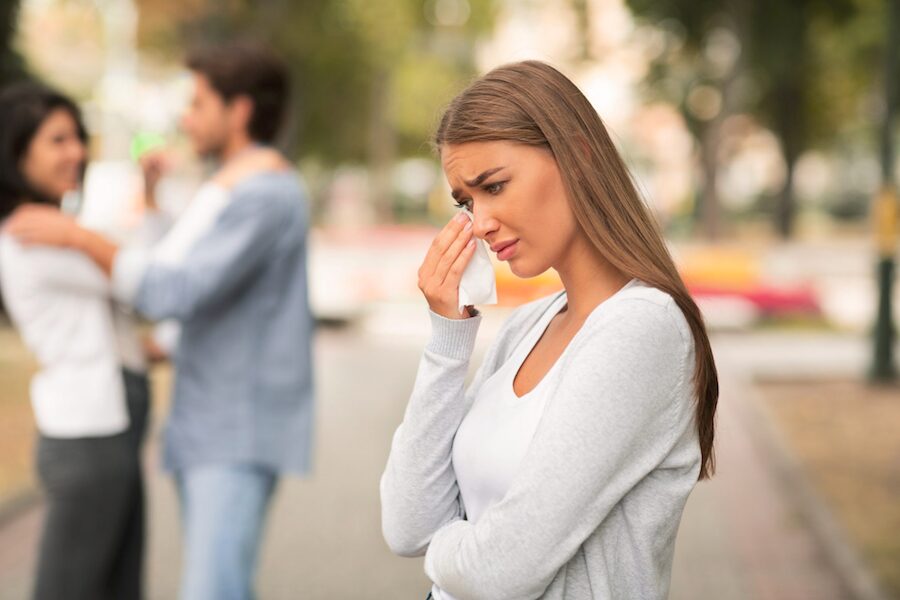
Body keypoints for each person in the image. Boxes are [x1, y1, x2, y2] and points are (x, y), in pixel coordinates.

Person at [380, 60, 719, 600]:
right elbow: (405, 523)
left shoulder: (641, 330)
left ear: (577, 157)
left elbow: (503, 570)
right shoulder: (525, 327)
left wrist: (442, 547)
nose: (480, 222)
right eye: (466, 202)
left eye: (494, 186)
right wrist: (448, 337)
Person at [6, 40, 315, 600]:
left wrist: (83, 238)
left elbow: (174, 286)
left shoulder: (261, 193)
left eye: (197, 104)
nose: (184, 118)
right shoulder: (230, 186)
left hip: (232, 429)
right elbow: (174, 274)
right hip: (196, 426)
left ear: (239, 110)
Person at [0, 82, 151, 600]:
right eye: (58, 140)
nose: (77, 152)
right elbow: (145, 282)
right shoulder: (31, 234)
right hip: (89, 439)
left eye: (78, 138)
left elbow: (112, 328)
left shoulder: (56, 230)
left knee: (116, 588)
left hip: (108, 433)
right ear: (16, 151)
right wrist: (82, 238)